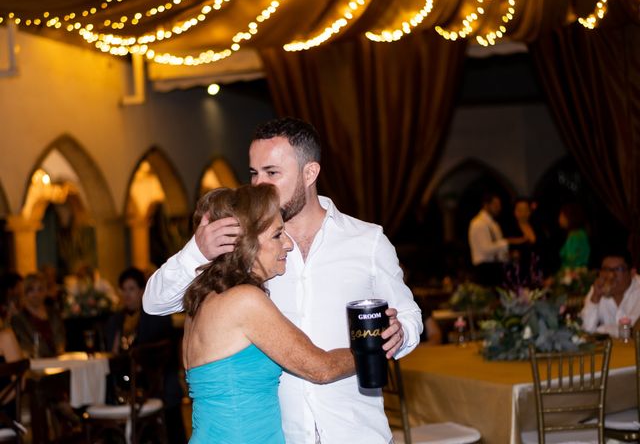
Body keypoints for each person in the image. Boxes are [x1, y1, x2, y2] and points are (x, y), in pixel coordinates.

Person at [144, 117, 423, 443]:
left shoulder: (368, 241)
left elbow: (409, 316)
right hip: (284, 434)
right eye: (254, 173)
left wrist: (399, 334)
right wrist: (196, 252)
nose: (260, 184)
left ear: (310, 173)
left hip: (356, 430)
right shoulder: (250, 248)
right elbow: (155, 303)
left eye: (271, 173)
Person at [184, 184, 356, 443]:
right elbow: (321, 369)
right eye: (277, 235)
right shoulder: (244, 301)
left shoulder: (199, 301)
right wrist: (373, 348)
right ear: (247, 244)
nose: (288, 244)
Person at [105, 267, 186, 443]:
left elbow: (162, 354)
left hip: (156, 384)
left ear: (142, 290)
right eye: (124, 290)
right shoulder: (116, 320)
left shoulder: (156, 315)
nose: (127, 295)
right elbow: (112, 353)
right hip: (125, 383)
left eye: (132, 289)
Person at [468, 192, 528, 287]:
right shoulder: (478, 223)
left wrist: (509, 256)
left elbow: (499, 251)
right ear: (486, 205)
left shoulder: (494, 224)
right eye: (495, 204)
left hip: (497, 267)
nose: (499, 208)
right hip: (484, 269)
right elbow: (485, 250)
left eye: (499, 205)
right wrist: (508, 241)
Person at [581, 251, 640, 337]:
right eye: (606, 269)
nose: (611, 275)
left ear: (632, 273)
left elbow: (632, 332)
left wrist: (602, 329)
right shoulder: (597, 290)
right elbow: (586, 330)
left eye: (618, 269)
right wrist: (596, 297)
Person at [11, 273, 66, 357]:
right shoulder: (18, 319)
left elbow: (60, 337)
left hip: (58, 359)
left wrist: (59, 353)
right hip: (36, 362)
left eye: (40, 289)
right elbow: (25, 345)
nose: (36, 294)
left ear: (45, 291)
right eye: (31, 290)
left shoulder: (53, 313)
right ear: (24, 293)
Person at [558, 202, 590, 269]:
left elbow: (572, 263)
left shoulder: (575, 237)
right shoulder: (579, 234)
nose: (559, 219)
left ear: (569, 216)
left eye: (561, 215)